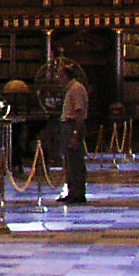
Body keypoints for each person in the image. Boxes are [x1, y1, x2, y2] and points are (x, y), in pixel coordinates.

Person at [57, 63, 89, 204]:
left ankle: (78, 193)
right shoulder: (70, 89)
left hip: (73, 125)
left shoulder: (76, 89)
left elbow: (79, 112)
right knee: (69, 161)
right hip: (67, 125)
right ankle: (72, 192)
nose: (58, 79)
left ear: (66, 76)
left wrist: (75, 134)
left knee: (75, 161)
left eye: (60, 76)